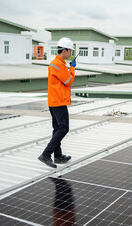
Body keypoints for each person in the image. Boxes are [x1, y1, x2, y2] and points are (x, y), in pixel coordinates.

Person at [38, 37, 77, 168]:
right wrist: (72, 68)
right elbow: (68, 81)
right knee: (64, 128)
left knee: (57, 129)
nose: (71, 53)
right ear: (64, 50)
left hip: (53, 101)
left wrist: (69, 67)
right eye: (70, 51)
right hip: (59, 102)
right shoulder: (59, 64)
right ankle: (46, 154)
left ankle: (58, 156)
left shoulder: (56, 63)